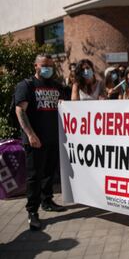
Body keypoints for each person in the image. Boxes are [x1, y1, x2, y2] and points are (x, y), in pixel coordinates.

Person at [14, 53, 66, 231]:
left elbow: (73, 101)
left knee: (49, 173)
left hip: (53, 139)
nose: (48, 68)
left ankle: (47, 201)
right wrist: (30, 134)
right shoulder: (26, 85)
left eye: (50, 65)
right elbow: (20, 111)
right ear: (36, 66)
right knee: (34, 176)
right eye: (44, 65)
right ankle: (32, 212)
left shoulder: (56, 86)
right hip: (35, 140)